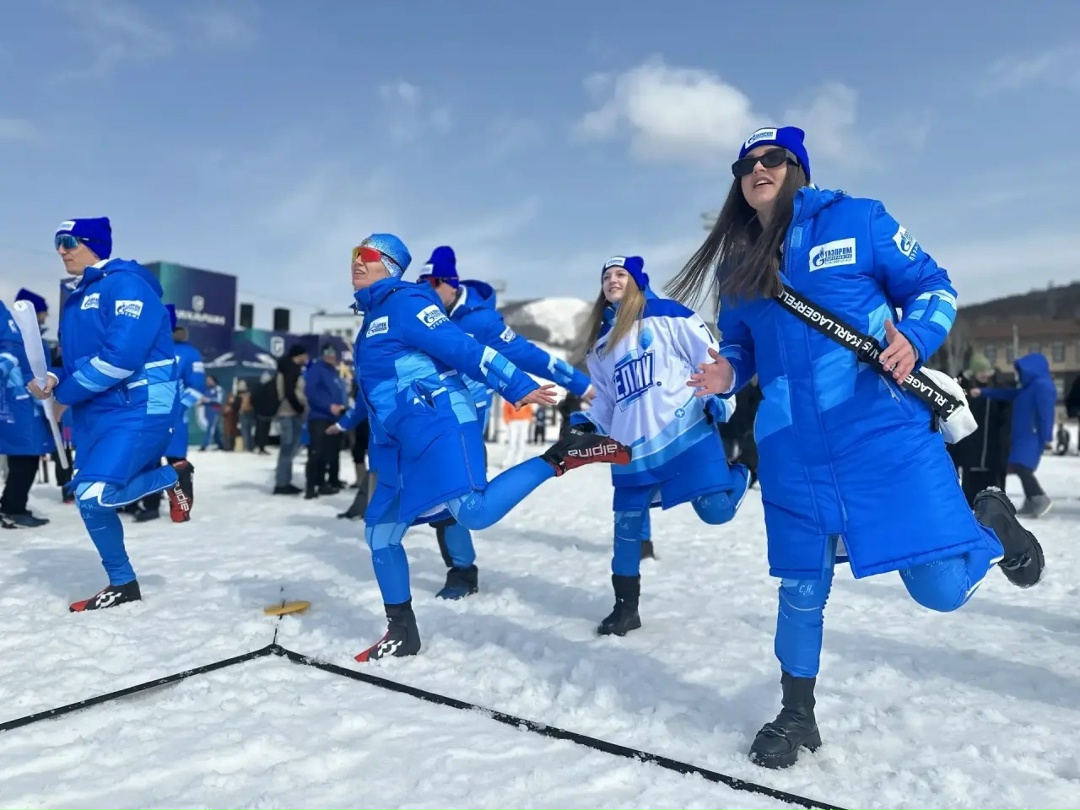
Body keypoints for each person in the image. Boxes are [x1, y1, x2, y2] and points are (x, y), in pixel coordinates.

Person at [666, 127, 1046, 769]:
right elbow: (740, 345)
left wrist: (915, 337)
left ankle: (991, 525)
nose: (758, 170)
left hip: (882, 436)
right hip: (791, 450)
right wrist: (727, 371)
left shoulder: (860, 220)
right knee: (799, 588)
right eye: (745, 165)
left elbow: (936, 287)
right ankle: (796, 715)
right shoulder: (736, 263)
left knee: (939, 590)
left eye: (772, 159)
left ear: (797, 167)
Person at [344, 233, 631, 662]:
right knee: (380, 534)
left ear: (391, 267)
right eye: (355, 253)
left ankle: (562, 455)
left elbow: (468, 348)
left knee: (471, 512)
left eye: (367, 255)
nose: (357, 261)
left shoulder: (407, 303)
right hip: (397, 443)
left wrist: (519, 386)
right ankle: (402, 630)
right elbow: (374, 391)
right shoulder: (372, 318)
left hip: (439, 422)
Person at [571, 256, 750, 636]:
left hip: (686, 434)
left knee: (716, 512)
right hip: (630, 450)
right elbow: (606, 401)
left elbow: (710, 360)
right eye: (606, 276)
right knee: (625, 529)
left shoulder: (670, 315)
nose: (612, 280)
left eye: (621, 274)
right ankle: (625, 608)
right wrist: (589, 423)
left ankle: (743, 471)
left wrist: (722, 398)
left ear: (638, 281)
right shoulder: (600, 345)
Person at [414, 246, 594, 599]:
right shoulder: (420, 314)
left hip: (464, 424)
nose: (426, 289)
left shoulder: (480, 321)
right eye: (421, 283)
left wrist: (582, 384)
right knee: (425, 499)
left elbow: (530, 355)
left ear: (451, 283)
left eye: (432, 282)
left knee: (456, 501)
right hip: (426, 420)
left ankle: (462, 572)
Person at [30, 217, 188, 611]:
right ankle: (123, 584)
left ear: (93, 244)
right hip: (99, 411)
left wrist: (64, 394)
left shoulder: (127, 285)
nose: (61, 250)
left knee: (94, 494)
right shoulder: (77, 296)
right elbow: (72, 361)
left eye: (69, 241)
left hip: (140, 405)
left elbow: (122, 357)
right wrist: (52, 378)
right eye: (57, 242)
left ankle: (171, 476)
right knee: (88, 499)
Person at [134, 305, 201, 522]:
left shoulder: (189, 353)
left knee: (177, 464)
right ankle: (151, 505)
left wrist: (177, 409)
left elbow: (197, 388)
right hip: (147, 419)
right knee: (148, 463)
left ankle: (181, 508)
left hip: (174, 421)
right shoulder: (144, 348)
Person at [970, 352, 1056, 516]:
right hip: (1022, 434)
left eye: (1021, 371)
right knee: (1018, 465)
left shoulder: (1042, 385)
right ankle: (1031, 501)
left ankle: (1039, 497)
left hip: (1032, 434)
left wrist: (1047, 437)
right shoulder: (1027, 388)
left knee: (1022, 466)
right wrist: (983, 392)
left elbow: (1046, 413)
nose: (1019, 375)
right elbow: (1006, 394)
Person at [0, 291, 54, 527]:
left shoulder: (25, 335)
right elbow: (18, 366)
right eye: (43, 311)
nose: (46, 316)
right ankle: (13, 509)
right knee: (26, 458)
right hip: (25, 405)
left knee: (22, 458)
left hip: (20, 405)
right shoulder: (19, 336)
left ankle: (10, 505)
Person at [949, 353, 1010, 508]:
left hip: (993, 448)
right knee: (970, 493)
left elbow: (1007, 410)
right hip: (971, 448)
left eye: (987, 371)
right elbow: (954, 392)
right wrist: (963, 379)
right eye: (980, 371)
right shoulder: (965, 389)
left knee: (993, 493)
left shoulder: (998, 388)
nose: (984, 374)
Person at [303, 343, 348, 498]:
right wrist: (328, 406)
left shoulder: (333, 372)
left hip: (334, 418)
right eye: (328, 353)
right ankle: (310, 487)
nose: (331, 356)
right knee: (317, 452)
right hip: (319, 418)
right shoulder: (316, 370)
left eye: (333, 353)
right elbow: (311, 393)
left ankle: (322, 483)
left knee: (328, 453)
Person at [271, 344, 309, 494]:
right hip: (288, 412)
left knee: (289, 448)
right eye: (304, 355)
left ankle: (285, 480)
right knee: (287, 448)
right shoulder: (291, 369)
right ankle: (282, 483)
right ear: (298, 355)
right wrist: (299, 408)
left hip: (288, 412)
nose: (306, 358)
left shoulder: (288, 368)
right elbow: (290, 392)